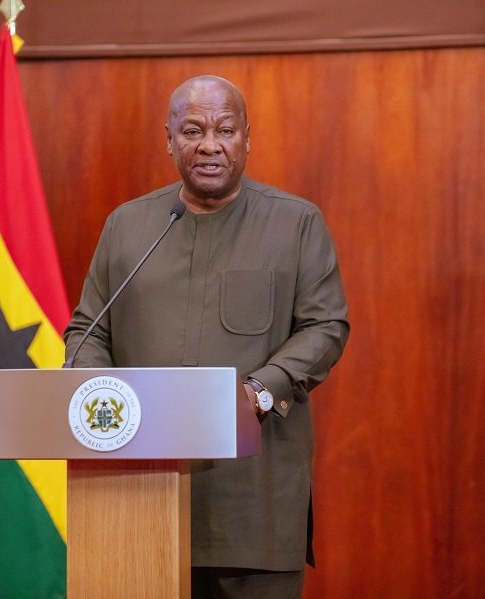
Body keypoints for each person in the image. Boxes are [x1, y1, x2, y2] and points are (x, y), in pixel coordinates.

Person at [64, 75, 349, 598]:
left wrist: (261, 390)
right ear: (169, 139)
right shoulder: (127, 226)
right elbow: (88, 330)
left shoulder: (295, 223)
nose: (210, 144)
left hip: (252, 504)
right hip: (136, 500)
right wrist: (99, 396)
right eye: (192, 130)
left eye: (225, 130)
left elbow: (325, 326)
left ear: (247, 138)